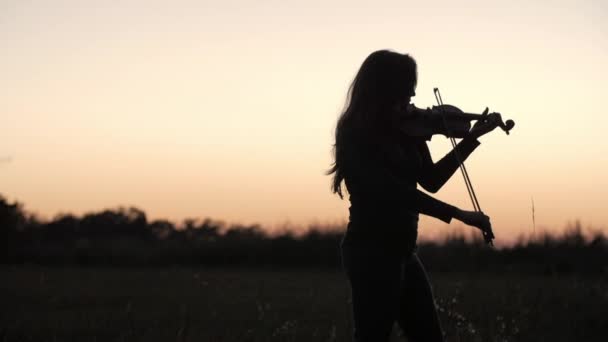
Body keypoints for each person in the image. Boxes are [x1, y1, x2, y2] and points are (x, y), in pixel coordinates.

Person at [327, 50, 499, 342]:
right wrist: (459, 214)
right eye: (403, 96)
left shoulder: (409, 130)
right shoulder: (355, 134)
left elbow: (430, 181)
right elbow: (395, 193)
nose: (410, 104)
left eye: (411, 96)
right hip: (371, 253)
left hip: (404, 252)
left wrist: (470, 140)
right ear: (382, 92)